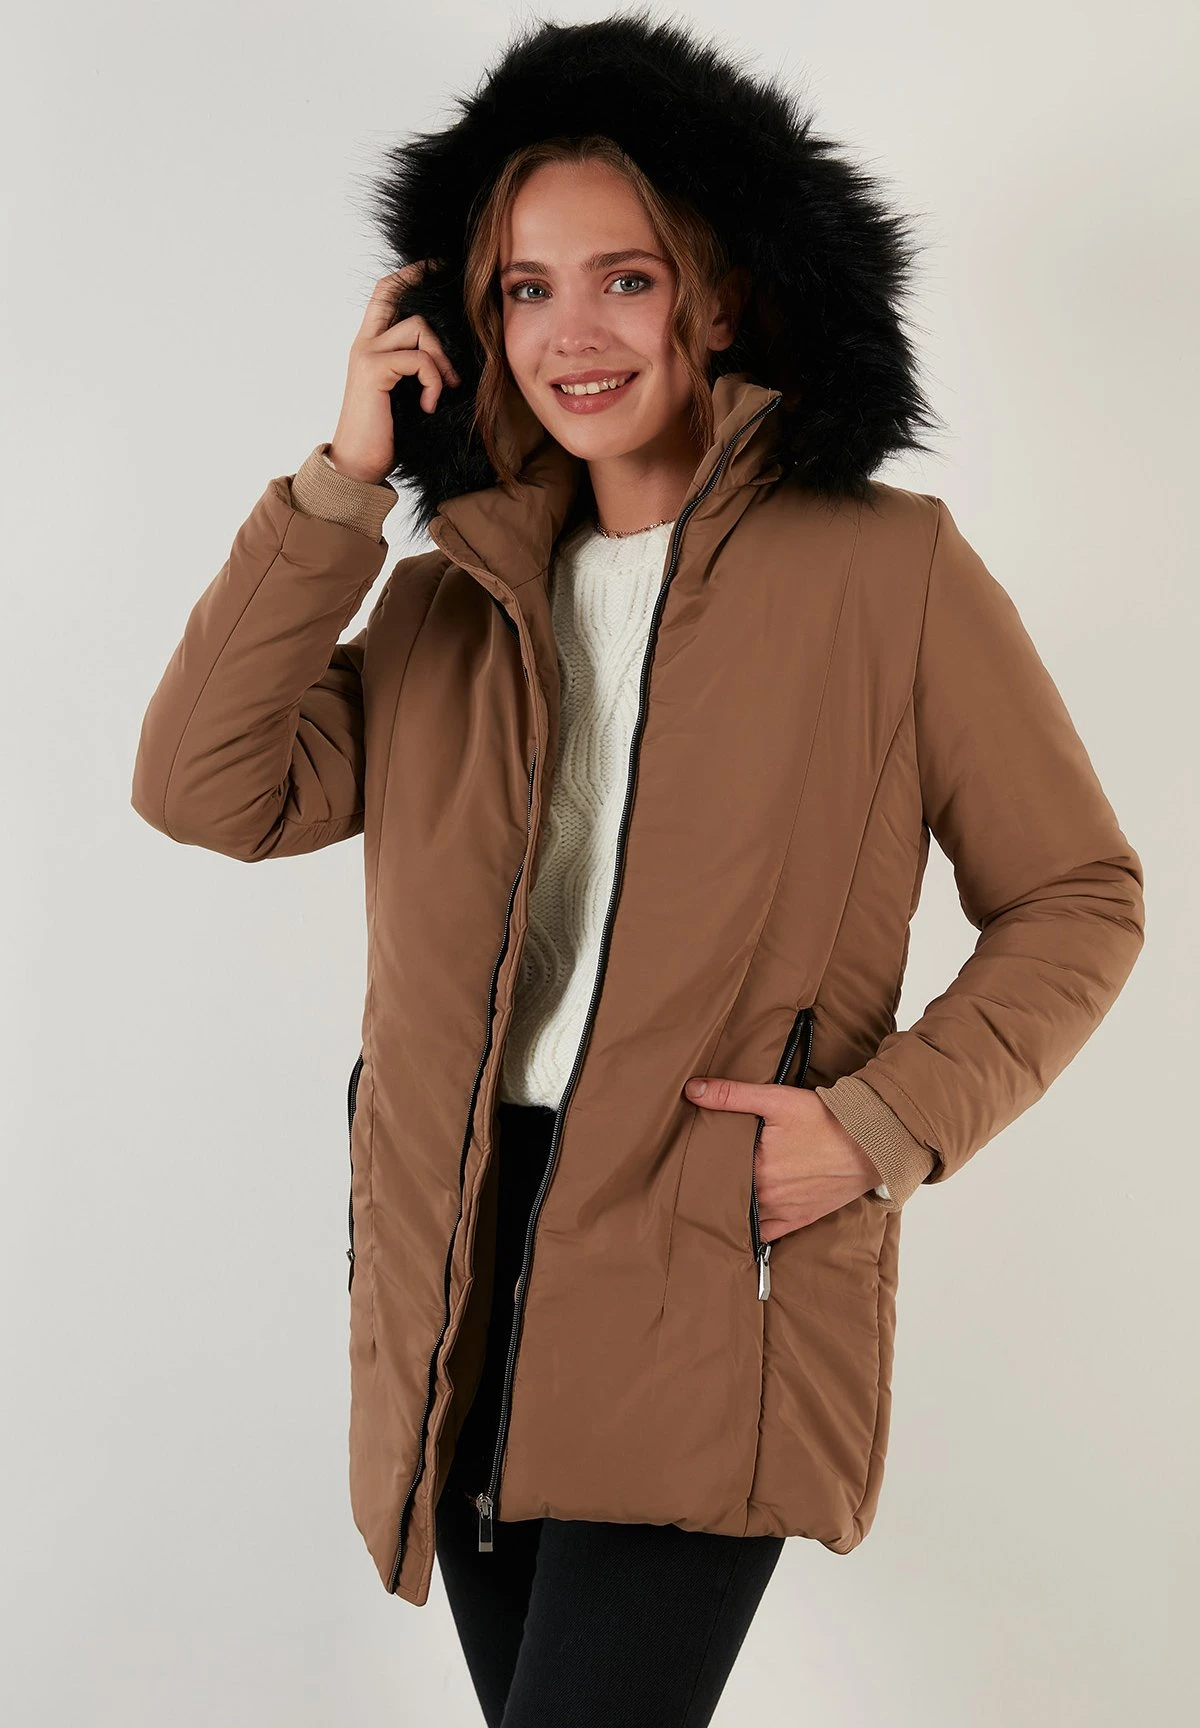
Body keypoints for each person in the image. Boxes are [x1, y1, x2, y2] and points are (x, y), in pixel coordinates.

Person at [129, 13, 1146, 1727]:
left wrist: (884, 1125)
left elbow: (1078, 895)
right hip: (460, 1250)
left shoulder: (886, 571)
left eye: (626, 279)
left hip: (707, 1250)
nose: (572, 334)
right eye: (524, 289)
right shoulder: (451, 598)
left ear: (721, 299)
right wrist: (345, 484)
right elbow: (205, 787)